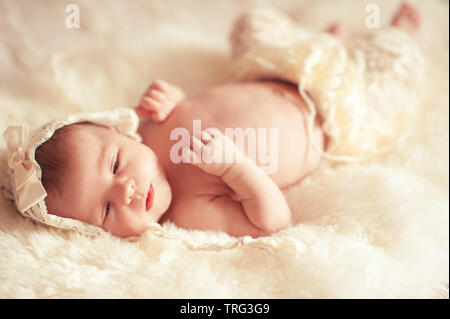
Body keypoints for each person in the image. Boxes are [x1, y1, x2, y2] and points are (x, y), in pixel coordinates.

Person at [2, 2, 423, 238]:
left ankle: (330, 41)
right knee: (389, 67)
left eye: (114, 165)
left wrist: (176, 100)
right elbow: (272, 220)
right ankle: (396, 33)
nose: (127, 190)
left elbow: (199, 105)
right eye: (108, 209)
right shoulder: (187, 211)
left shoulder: (152, 126)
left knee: (252, 23)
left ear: (120, 132)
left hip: (277, 71)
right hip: (334, 113)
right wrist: (233, 167)